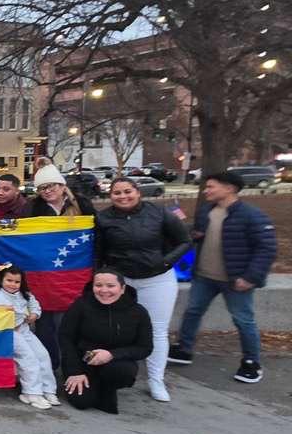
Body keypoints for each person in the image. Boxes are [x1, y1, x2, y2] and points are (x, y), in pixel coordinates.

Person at [170, 171, 277, 383]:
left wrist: (250, 277)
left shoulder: (252, 215)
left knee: (243, 320)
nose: (206, 190)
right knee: (192, 311)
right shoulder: (205, 211)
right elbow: (198, 235)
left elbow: (267, 249)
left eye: (211, 187)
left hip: (236, 280)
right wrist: (188, 230)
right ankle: (184, 349)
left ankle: (251, 363)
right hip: (203, 276)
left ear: (229, 188)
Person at [97, 176, 191, 402]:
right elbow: (99, 251)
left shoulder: (159, 213)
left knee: (157, 331)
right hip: (121, 281)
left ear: (137, 191)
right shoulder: (102, 218)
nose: (123, 196)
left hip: (157, 280)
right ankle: (113, 374)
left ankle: (156, 379)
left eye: (127, 191)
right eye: (117, 193)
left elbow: (184, 241)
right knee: (114, 328)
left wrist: (166, 262)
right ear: (110, 196)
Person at [28, 162, 97, 371]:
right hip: (44, 276)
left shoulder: (82, 204)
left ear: (61, 184)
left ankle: (73, 368)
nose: (47, 191)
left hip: (74, 273)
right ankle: (50, 367)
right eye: (42, 188)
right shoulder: (33, 207)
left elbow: (95, 234)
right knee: (46, 325)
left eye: (51, 186)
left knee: (70, 324)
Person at [60, 269, 152, 414]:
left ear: (122, 289)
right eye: (98, 285)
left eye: (110, 286)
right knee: (82, 402)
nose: (104, 290)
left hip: (116, 362)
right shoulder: (81, 305)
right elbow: (65, 337)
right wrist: (74, 371)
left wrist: (111, 354)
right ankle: (92, 386)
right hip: (83, 362)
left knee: (123, 372)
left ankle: (108, 388)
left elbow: (145, 348)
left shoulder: (138, 312)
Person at [0, 265, 57, 410]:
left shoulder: (24, 294)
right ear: (1, 280)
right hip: (9, 332)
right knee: (28, 358)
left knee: (43, 355)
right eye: (9, 280)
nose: (12, 285)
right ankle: (31, 392)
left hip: (24, 330)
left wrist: (34, 314)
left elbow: (34, 305)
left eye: (16, 282)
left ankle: (48, 389)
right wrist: (18, 320)